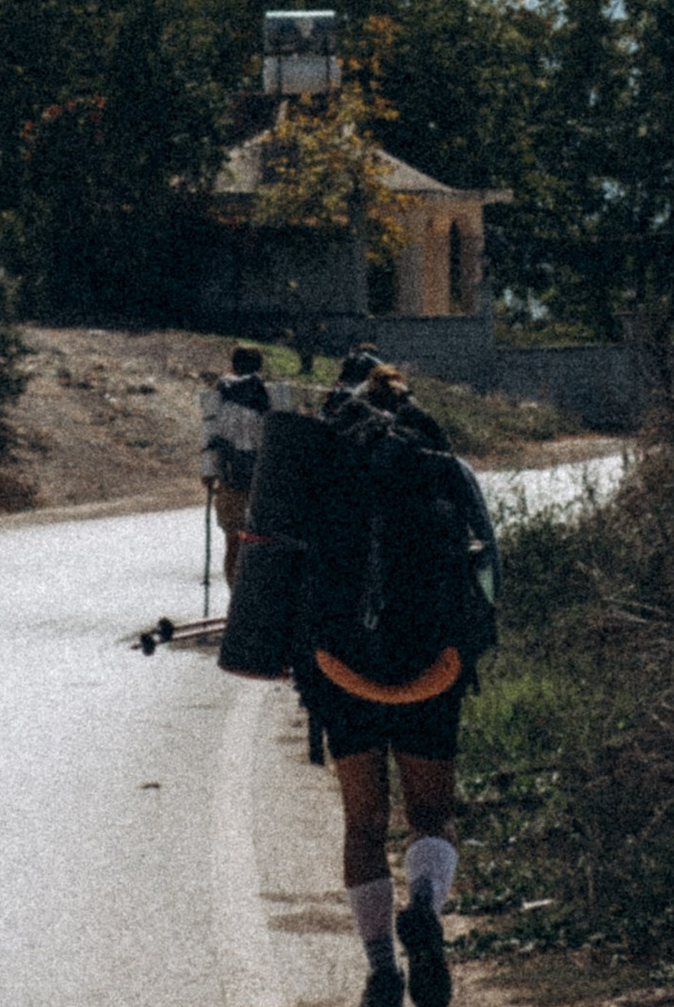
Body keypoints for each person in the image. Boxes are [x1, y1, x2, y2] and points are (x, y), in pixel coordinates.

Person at [297, 363, 496, 1007]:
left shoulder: (325, 471)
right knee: (431, 813)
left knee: (363, 826)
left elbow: (281, 576)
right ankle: (427, 909)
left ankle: (382, 969)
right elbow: (486, 572)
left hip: (340, 670)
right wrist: (463, 655)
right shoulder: (440, 465)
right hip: (430, 667)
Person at [198, 343, 271, 588]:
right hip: (261, 479)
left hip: (230, 476)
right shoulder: (267, 394)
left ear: (233, 364)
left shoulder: (219, 393)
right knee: (261, 541)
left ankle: (235, 599)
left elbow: (209, 434)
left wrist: (208, 472)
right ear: (259, 366)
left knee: (233, 541)